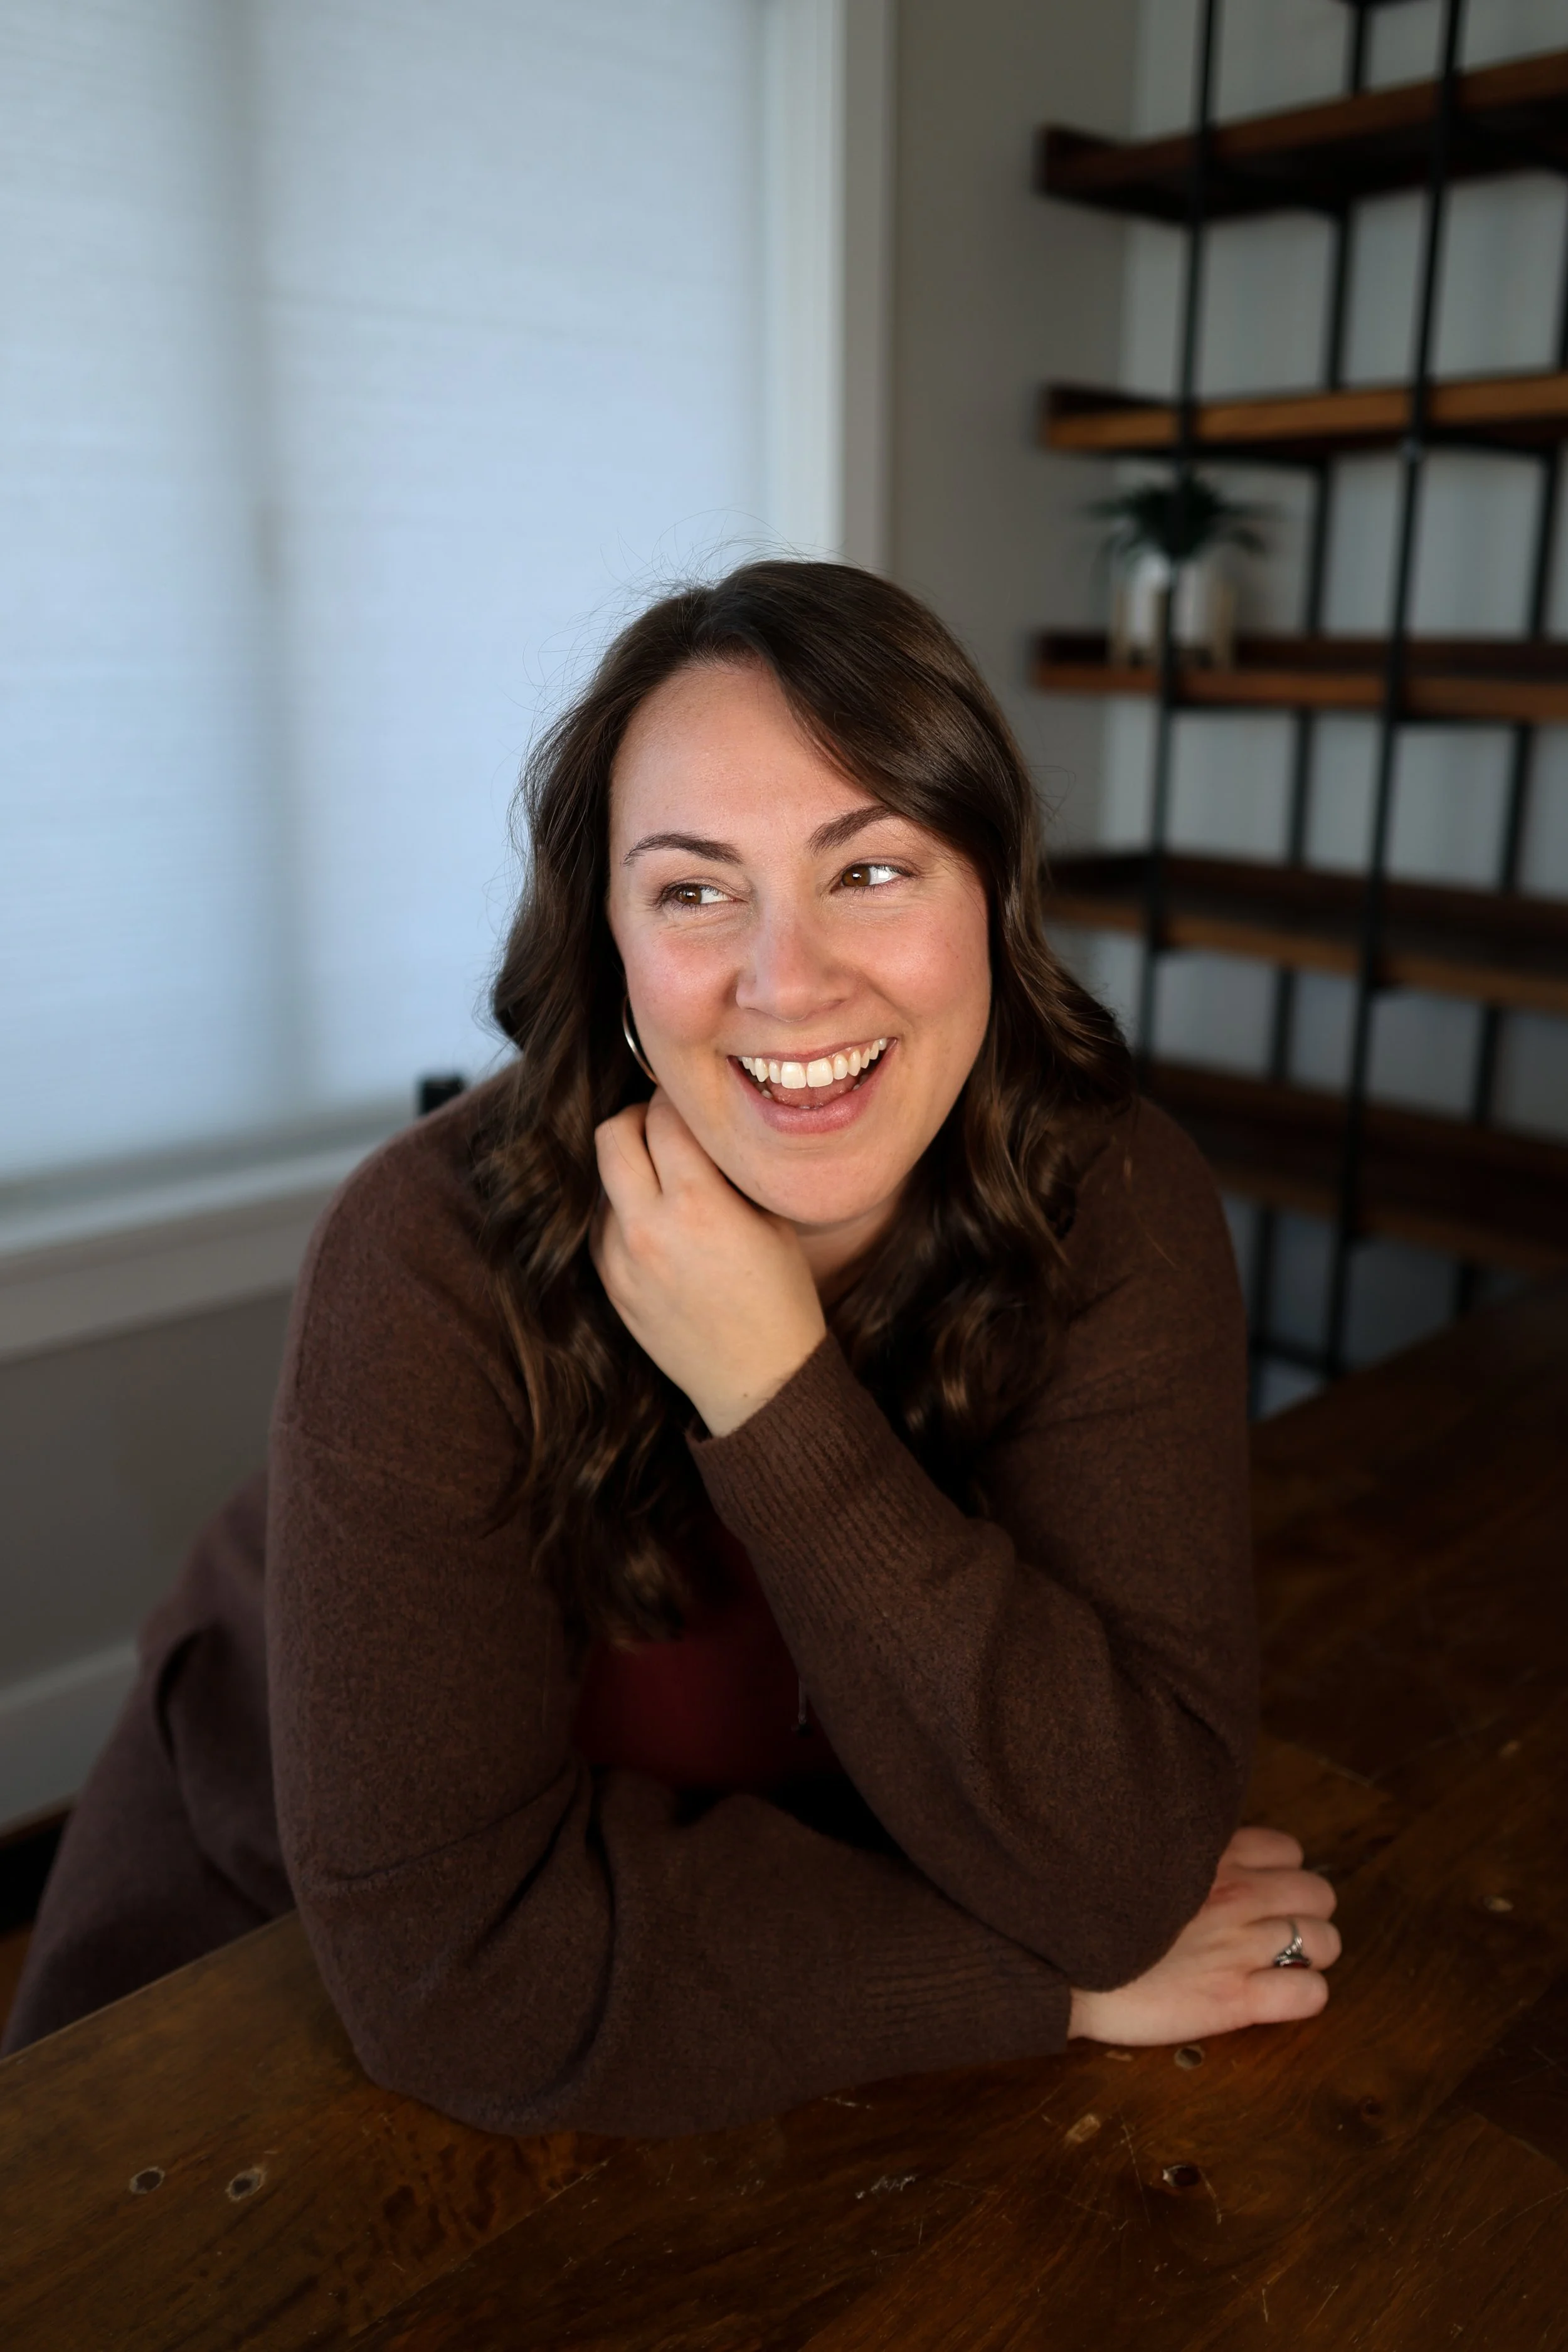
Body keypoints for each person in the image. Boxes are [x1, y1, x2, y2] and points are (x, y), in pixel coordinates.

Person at [5, 563, 1338, 2129]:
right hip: (263, 1948)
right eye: (695, 890)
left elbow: (1120, 1859)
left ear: (991, 889)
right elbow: (451, 1973)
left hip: (740, 1953)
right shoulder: (421, 1256)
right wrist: (1041, 1981)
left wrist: (778, 1396)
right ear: (612, 948)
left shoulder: (1112, 1197)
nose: (787, 982)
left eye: (873, 870)